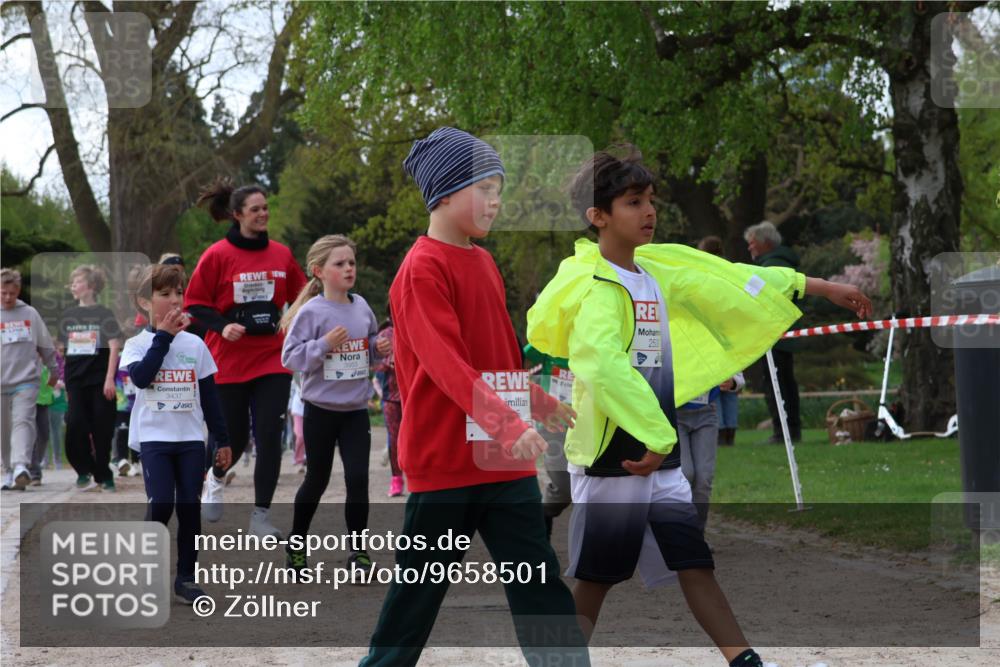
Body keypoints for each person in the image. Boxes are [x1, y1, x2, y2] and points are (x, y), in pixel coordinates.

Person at [527, 147, 871, 665]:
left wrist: (816, 286)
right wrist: (657, 436)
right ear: (598, 217)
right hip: (615, 455)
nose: (649, 211)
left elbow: (729, 281)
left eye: (650, 200)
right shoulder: (596, 290)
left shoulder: (658, 270)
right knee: (596, 579)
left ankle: (745, 661)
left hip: (656, 450)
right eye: (632, 202)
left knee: (695, 562)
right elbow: (604, 369)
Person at [360, 127, 588, 667]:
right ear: (443, 193)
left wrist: (537, 402)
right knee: (414, 599)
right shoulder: (421, 269)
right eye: (484, 187)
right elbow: (448, 369)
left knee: (540, 587)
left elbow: (497, 363)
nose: (496, 200)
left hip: (502, 467)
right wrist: (512, 426)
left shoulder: (484, 262)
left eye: (499, 188)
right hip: (446, 464)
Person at [185, 178, 307, 537]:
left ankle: (261, 516)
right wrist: (222, 326)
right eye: (255, 210)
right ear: (237, 215)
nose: (263, 214)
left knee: (269, 434)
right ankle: (215, 478)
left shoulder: (282, 255)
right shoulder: (217, 255)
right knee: (232, 439)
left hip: (272, 356)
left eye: (265, 208)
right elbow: (195, 304)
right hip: (229, 359)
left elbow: (301, 298)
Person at [121, 263, 231, 604]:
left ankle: (186, 578)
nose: (174, 300)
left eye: (178, 293)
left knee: (188, 507)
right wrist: (164, 337)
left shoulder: (195, 345)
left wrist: (223, 440)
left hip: (189, 440)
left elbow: (210, 395)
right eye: (164, 294)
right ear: (144, 303)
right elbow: (141, 378)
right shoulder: (137, 344)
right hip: (154, 438)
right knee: (162, 504)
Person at [280, 234, 390, 573]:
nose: (348, 269)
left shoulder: (361, 307)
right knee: (317, 479)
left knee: (358, 479)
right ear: (319, 271)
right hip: (320, 411)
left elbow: (367, 345)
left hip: (355, 411)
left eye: (351, 263)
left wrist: (378, 348)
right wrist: (324, 344)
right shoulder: (312, 312)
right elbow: (290, 358)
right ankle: (296, 547)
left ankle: (358, 554)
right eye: (339, 264)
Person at [58, 265, 123, 491]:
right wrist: (65, 383)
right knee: (75, 425)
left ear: (91, 286)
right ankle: (83, 468)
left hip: (99, 381)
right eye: (72, 282)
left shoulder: (104, 314)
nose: (73, 286)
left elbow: (115, 346)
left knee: (102, 428)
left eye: (77, 282)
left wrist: (109, 379)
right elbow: (64, 352)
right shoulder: (67, 315)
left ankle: (104, 474)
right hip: (76, 381)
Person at [744, 221, 803, 443]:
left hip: (775, 334)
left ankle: (783, 431)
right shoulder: (782, 262)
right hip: (784, 334)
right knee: (786, 382)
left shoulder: (772, 266)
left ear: (765, 243)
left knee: (776, 385)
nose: (750, 248)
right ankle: (790, 430)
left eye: (752, 244)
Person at [1, 268, 59, 490]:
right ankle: (9, 472)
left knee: (23, 421)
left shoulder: (30, 314)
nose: (7, 298)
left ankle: (20, 466)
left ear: (18, 291)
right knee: (4, 430)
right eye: (3, 293)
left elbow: (45, 345)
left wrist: (53, 371)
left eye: (12, 294)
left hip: (26, 380)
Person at [523, 342, 573, 540]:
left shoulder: (598, 335)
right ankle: (538, 524)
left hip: (591, 425)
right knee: (562, 489)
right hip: (554, 425)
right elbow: (518, 365)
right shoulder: (546, 339)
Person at [697, 236, 742, 446]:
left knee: (716, 383)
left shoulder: (701, 273)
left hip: (710, 331)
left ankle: (721, 431)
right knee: (729, 380)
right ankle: (729, 432)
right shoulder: (729, 273)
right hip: (728, 330)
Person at [374, 316, 403, 497]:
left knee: (416, 437)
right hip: (391, 395)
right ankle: (396, 479)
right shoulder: (386, 334)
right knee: (394, 438)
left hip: (413, 395)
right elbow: (374, 364)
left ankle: (419, 475)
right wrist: (388, 362)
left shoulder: (416, 328)